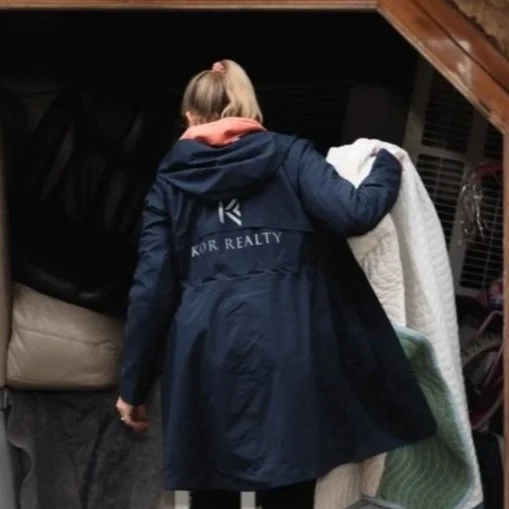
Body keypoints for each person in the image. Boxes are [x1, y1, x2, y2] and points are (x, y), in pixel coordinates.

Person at [116, 59, 436, 509]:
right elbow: (354, 212)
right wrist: (388, 163)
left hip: (205, 350)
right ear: (252, 108)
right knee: (289, 484)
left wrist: (133, 386)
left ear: (189, 116)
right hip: (291, 341)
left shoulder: (169, 183)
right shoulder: (291, 156)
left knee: (212, 487)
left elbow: (151, 289)